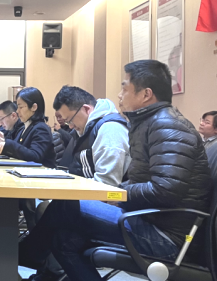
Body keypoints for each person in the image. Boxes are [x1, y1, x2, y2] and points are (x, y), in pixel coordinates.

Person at [19, 60, 212, 281]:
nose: (119, 95)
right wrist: (118, 193)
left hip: (168, 237)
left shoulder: (167, 126)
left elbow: (165, 190)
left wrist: (117, 195)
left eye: (125, 88)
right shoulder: (151, 124)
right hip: (149, 219)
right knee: (64, 240)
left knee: (66, 205)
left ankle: (23, 255)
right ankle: (28, 258)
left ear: (146, 94)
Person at [53, 86, 130, 186]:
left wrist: (70, 186)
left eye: (70, 120)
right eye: (67, 123)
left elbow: (107, 184)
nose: (71, 126)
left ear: (86, 109)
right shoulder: (85, 129)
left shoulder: (110, 129)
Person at [0, 88, 55, 168]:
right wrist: (3, 143)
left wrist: (8, 145)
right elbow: (19, 150)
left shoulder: (41, 128)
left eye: (21, 107)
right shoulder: (24, 127)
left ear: (34, 107)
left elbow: (36, 156)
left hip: (42, 173)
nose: (17, 111)